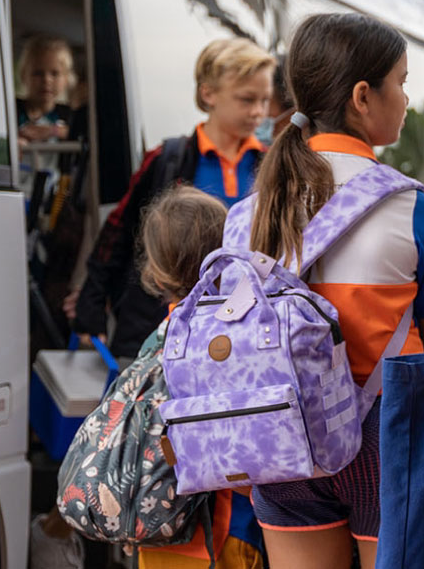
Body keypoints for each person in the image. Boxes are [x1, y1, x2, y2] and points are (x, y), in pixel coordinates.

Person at [240, 13, 424, 569]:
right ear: (364, 97)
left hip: (279, 440)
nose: (408, 99)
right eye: (403, 82)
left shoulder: (250, 211)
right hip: (384, 440)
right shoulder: (411, 208)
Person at [68, 38, 275, 357]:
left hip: (238, 334)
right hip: (153, 327)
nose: (258, 112)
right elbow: (120, 232)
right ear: (209, 94)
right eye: (246, 100)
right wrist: (91, 306)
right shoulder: (168, 159)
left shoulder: (270, 165)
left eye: (264, 101)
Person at [135, 186, 264, 569]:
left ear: (156, 275)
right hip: (231, 532)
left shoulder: (160, 339)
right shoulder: (242, 336)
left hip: (162, 532)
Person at [16, 34, 76, 145]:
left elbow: (87, 136)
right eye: (38, 73)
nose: (46, 80)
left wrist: (53, 131)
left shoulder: (70, 116)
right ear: (24, 75)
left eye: (55, 74)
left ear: (67, 79)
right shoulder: (11, 110)